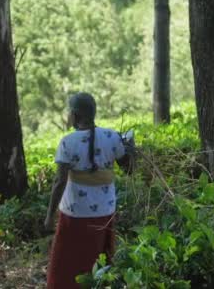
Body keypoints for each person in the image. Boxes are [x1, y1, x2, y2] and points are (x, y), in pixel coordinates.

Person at [44, 92, 132, 289]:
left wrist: (50, 215)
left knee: (67, 261)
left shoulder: (68, 141)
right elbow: (129, 168)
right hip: (105, 210)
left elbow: (60, 181)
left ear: (75, 115)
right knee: (99, 256)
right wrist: (130, 149)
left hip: (75, 213)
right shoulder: (112, 136)